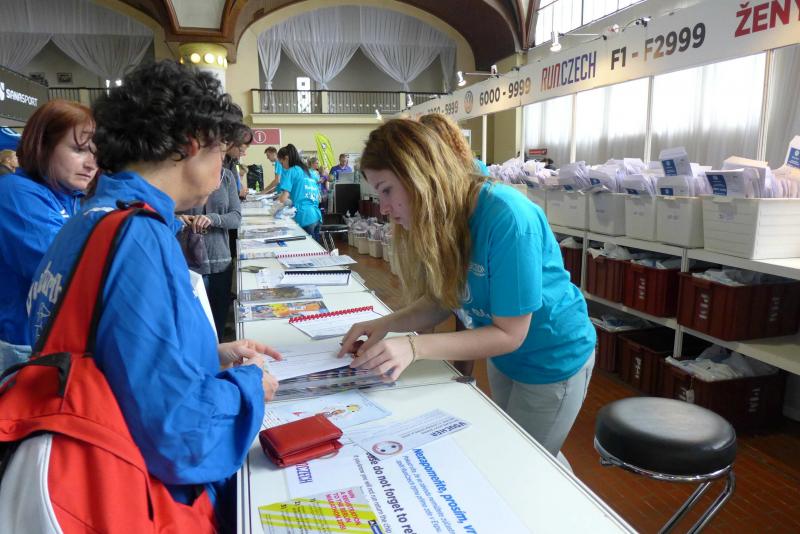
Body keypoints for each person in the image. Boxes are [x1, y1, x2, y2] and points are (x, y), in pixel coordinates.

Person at [23, 60, 280, 529]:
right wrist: (250, 388)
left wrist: (208, 354)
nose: (222, 171)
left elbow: (106, 355)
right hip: (130, 492)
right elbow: (179, 433)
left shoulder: (88, 220)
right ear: (193, 142)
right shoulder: (139, 236)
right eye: (222, 155)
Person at [339, 119, 596, 457]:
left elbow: (510, 333)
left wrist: (414, 347)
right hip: (504, 357)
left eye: (387, 190)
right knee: (523, 449)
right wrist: (385, 324)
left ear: (421, 176)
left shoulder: (507, 217)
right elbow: (442, 299)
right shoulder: (444, 215)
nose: (383, 208)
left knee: (524, 460)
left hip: (551, 358)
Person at [0, 100, 97, 370]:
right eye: (79, 150)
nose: (92, 164)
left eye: (96, 152)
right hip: (21, 347)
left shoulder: (71, 197)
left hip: (54, 344)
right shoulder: (15, 192)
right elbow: (68, 270)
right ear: (43, 145)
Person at [177, 126, 249, 341]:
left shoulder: (227, 177)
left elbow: (236, 217)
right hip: (189, 264)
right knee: (193, 327)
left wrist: (213, 219)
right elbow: (164, 213)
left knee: (217, 323)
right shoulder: (182, 178)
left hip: (221, 262)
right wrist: (177, 219)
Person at [276, 144, 322, 240]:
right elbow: (319, 197)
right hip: (317, 216)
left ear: (286, 158)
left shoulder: (291, 171)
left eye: (282, 163)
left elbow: (283, 197)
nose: (282, 166)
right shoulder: (308, 171)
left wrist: (274, 209)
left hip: (304, 217)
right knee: (316, 248)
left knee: (305, 248)